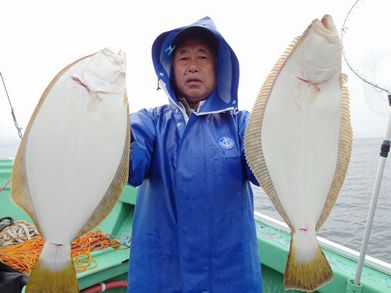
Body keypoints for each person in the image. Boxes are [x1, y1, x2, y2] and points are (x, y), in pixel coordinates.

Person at [127, 16, 262, 292]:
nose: (192, 66)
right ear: (170, 71)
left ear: (218, 68)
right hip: (161, 277)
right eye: (183, 58)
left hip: (231, 279)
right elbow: (130, 168)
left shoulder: (241, 124)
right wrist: (113, 129)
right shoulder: (149, 121)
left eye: (202, 57)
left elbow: (266, 171)